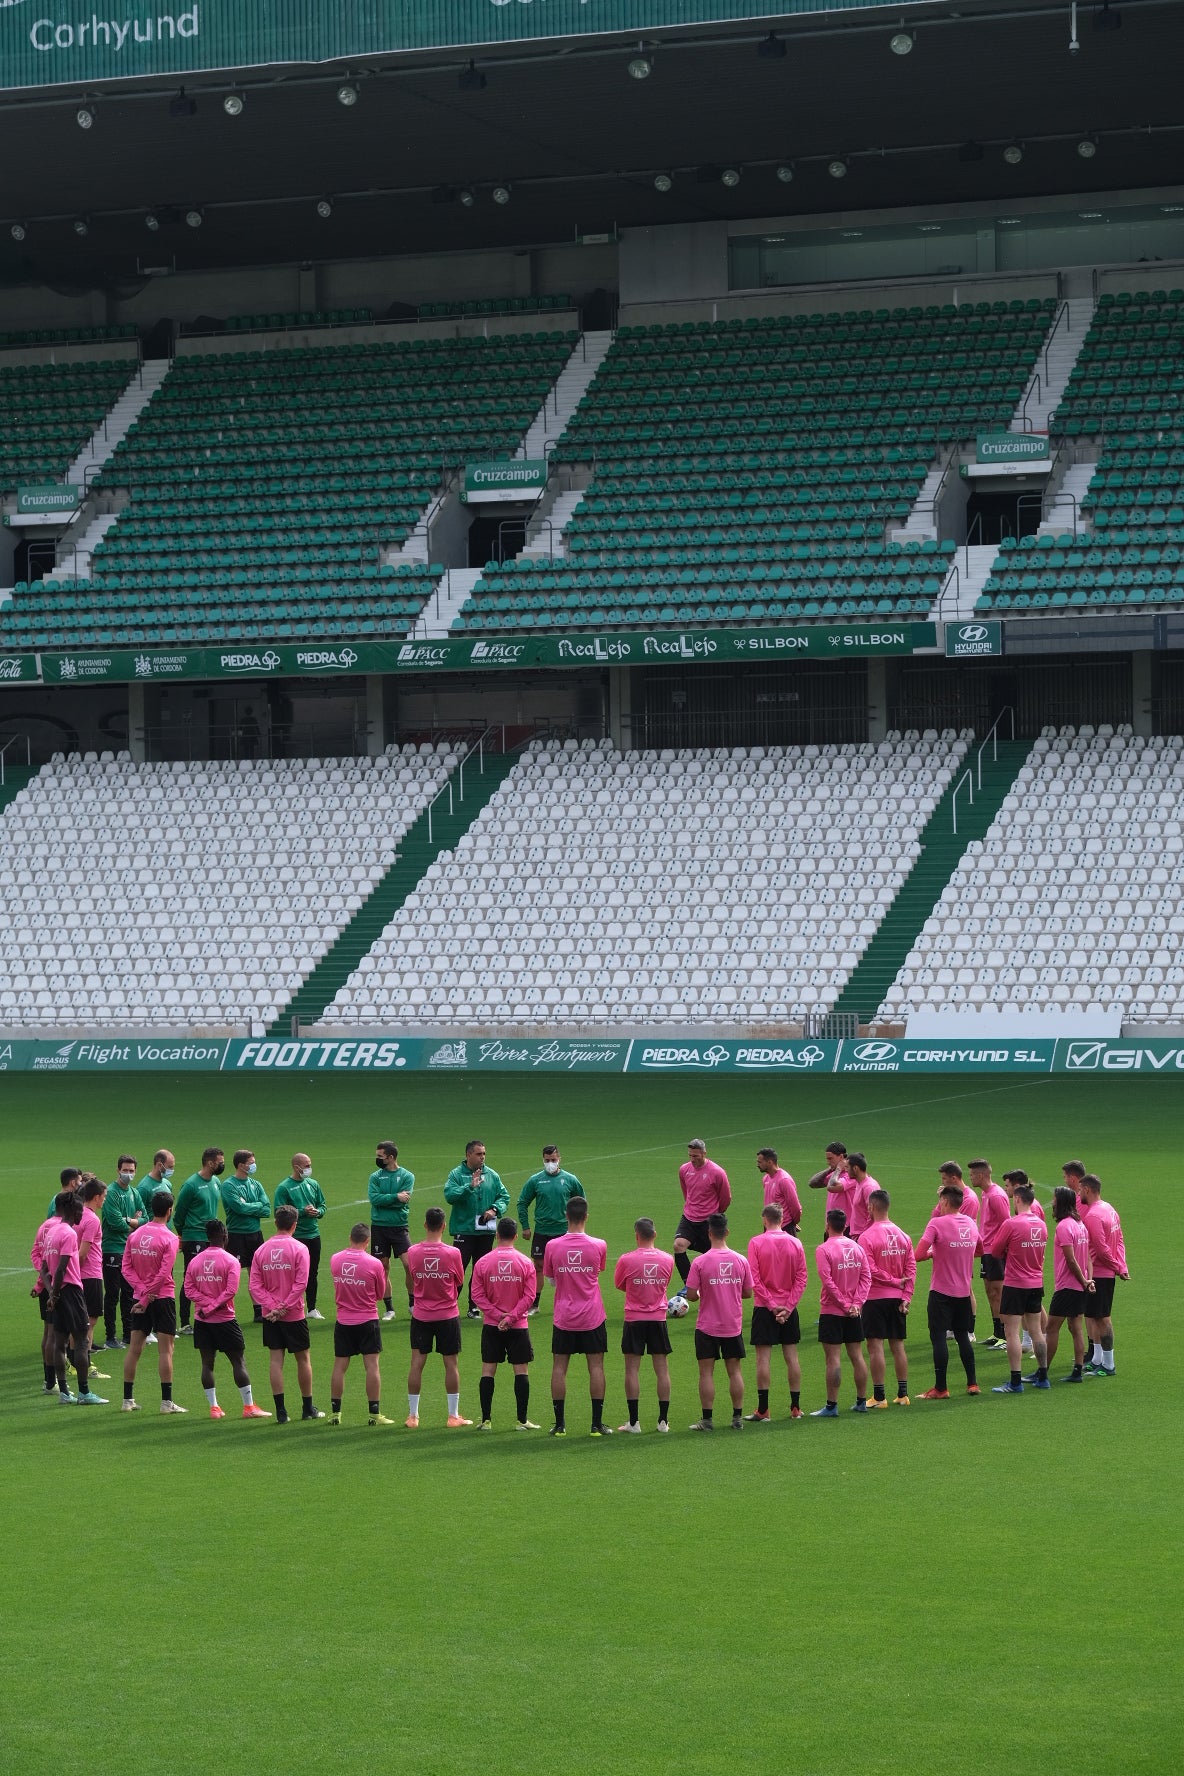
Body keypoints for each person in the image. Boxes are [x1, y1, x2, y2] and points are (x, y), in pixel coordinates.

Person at [184, 1218, 270, 1420]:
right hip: (225, 1320)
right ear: (225, 1236)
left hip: (203, 1320)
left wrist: (205, 1305)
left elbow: (188, 1289)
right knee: (238, 1362)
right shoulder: (231, 1261)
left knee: (207, 1364)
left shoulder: (195, 1261)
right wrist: (213, 1305)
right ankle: (249, 1407)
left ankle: (214, 1408)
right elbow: (230, 1290)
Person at [249, 1204, 324, 1423]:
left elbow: (255, 1285)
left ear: (275, 1223)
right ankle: (307, 1408)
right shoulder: (300, 1249)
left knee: (275, 1360)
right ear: (294, 1225)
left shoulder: (261, 1250)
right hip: (293, 1314)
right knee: (303, 1359)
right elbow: (301, 1284)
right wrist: (284, 1306)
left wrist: (272, 1307)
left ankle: (281, 1412)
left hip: (270, 1315)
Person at [543, 1196, 611, 1436]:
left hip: (564, 1317)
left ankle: (559, 1425)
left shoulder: (552, 1246)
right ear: (586, 1216)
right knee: (596, 1367)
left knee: (559, 1367)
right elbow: (597, 1272)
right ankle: (596, 1424)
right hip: (592, 1316)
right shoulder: (599, 1245)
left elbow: (550, 1280)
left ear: (566, 1216)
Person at [914, 1183, 982, 1400]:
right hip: (963, 1292)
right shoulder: (971, 1223)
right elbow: (979, 1249)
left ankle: (941, 1388)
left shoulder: (936, 1224)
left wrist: (935, 1253)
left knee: (938, 1337)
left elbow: (917, 1254)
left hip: (941, 1292)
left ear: (943, 1202)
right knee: (962, 1336)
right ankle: (972, 1383)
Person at [685, 1213, 753, 1430]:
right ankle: (737, 1418)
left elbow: (691, 1295)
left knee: (706, 1372)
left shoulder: (700, 1261)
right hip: (732, 1325)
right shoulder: (741, 1260)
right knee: (735, 1371)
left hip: (707, 1326)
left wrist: (707, 1289)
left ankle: (707, 1420)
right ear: (727, 1232)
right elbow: (748, 1293)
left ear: (709, 1233)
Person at [121, 1188, 186, 1414]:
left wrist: (140, 1292)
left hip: (140, 1298)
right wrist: (149, 1296)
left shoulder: (135, 1235)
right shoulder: (169, 1238)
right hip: (162, 1298)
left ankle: (127, 1400)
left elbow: (126, 1268)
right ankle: (166, 1403)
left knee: (134, 1349)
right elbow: (163, 1273)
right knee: (166, 1351)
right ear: (170, 1211)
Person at [471, 1217, 538, 1431]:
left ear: (497, 1235)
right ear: (516, 1236)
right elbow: (530, 1297)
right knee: (521, 1371)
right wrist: (510, 1318)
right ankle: (521, 1420)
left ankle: (486, 1420)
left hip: (492, 1325)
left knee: (488, 1370)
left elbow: (477, 1295)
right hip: (518, 1326)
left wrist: (498, 1316)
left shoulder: (483, 1262)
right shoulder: (526, 1262)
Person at [405, 1206, 469, 1429]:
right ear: (443, 1226)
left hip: (421, 1315)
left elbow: (413, 1277)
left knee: (417, 1364)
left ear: (425, 1225)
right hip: (447, 1315)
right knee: (451, 1364)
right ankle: (453, 1416)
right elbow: (459, 1281)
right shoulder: (453, 1253)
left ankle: (413, 1416)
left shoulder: (413, 1252)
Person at [744, 1202, 808, 1422]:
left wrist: (772, 1306)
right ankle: (796, 1408)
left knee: (763, 1359)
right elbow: (802, 1278)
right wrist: (788, 1307)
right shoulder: (795, 1243)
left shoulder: (756, 1242)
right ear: (782, 1220)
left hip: (764, 1309)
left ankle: (763, 1410)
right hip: (789, 1310)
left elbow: (755, 1279)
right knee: (792, 1357)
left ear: (765, 1219)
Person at [40, 1191, 104, 1404]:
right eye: (79, 1212)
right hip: (71, 1292)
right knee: (82, 1340)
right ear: (72, 1211)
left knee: (59, 1343)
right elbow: (61, 1268)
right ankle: (84, 1393)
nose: (80, 1216)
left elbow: (44, 1269)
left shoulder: (50, 1232)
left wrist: (51, 1294)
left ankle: (65, 1393)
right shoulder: (68, 1234)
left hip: (57, 1294)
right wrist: (56, 1292)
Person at [613, 1216, 675, 1433]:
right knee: (662, 1369)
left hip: (634, 1320)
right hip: (658, 1319)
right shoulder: (668, 1259)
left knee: (631, 1370)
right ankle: (663, 1422)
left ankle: (634, 1422)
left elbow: (621, 1285)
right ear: (655, 1235)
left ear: (637, 1235)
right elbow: (665, 1284)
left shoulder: (626, 1260)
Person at [989, 1182, 1049, 1395]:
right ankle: (1043, 1376)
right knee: (1036, 1331)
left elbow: (995, 1250)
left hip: (1015, 1283)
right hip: (1036, 1282)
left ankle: (1015, 1381)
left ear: (1017, 1199)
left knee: (1011, 1332)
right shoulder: (1041, 1225)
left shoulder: (1012, 1224)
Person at [329, 1224, 392, 1426]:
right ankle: (374, 1415)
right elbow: (381, 1295)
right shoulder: (374, 1264)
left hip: (343, 1320)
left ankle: (335, 1414)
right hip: (367, 1320)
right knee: (372, 1366)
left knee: (339, 1366)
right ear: (367, 1241)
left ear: (350, 1237)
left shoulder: (335, 1259)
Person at [858, 1188, 916, 1406]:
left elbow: (870, 1269)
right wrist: (906, 1295)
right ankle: (903, 1394)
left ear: (872, 1207)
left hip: (874, 1298)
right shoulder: (903, 1235)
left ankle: (879, 1396)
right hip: (898, 1299)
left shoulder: (866, 1237)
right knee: (898, 1346)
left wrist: (892, 1281)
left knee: (875, 1347)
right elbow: (911, 1269)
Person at [812, 1208, 872, 1416]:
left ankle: (831, 1406)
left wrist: (845, 1304)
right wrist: (856, 1303)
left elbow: (827, 1281)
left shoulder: (823, 1249)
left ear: (827, 1225)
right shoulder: (857, 1248)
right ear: (846, 1226)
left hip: (832, 1311)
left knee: (833, 1360)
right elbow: (866, 1278)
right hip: (855, 1312)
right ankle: (861, 1401)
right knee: (857, 1356)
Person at [517, 1145, 585, 1316]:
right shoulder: (535, 1180)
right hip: (542, 1230)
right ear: (543, 1160)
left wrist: (578, 1227)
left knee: (565, 1268)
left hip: (564, 1231)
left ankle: (567, 1302)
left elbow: (581, 1203)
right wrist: (525, 1226)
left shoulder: (570, 1179)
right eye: (547, 1160)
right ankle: (535, 1304)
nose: (550, 1163)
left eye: (553, 1160)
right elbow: (522, 1202)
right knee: (538, 1267)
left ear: (559, 1158)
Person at [444, 1140, 509, 1318]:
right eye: (479, 1154)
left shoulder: (492, 1175)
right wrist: (469, 1187)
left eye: (484, 1154)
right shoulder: (456, 1174)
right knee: (458, 1270)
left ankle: (474, 1306)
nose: (482, 1157)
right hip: (463, 1230)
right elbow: (449, 1195)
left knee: (481, 1270)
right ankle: (450, 1304)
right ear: (468, 1155)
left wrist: (495, 1209)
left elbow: (504, 1196)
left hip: (485, 1231)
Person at [1045, 1185, 1095, 1383]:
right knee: (1076, 1328)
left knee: (1051, 1328)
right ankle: (1077, 1371)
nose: (1052, 1202)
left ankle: (1043, 1371)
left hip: (1068, 1286)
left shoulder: (1064, 1226)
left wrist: (1083, 1281)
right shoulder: (1080, 1225)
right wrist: (1088, 1280)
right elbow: (1088, 1258)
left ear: (1062, 1202)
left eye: (1055, 1199)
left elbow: (1071, 1260)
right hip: (1080, 1285)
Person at [1079, 1173, 1127, 1378]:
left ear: (1087, 1190)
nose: (1079, 1194)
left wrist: (1117, 1267)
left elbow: (1101, 1249)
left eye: (1080, 1190)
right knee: (1093, 1316)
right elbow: (1120, 1239)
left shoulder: (1093, 1215)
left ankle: (1109, 1364)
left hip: (1099, 1273)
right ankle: (1097, 1360)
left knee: (1103, 1319)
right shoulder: (1109, 1209)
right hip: (1102, 1271)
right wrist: (1122, 1265)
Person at [173, 1147, 225, 1334]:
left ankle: (207, 1313)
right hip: (194, 1236)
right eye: (220, 1161)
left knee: (210, 1276)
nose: (222, 1164)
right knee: (191, 1277)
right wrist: (184, 1235)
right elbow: (179, 1214)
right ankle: (185, 1322)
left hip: (210, 1237)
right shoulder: (191, 1185)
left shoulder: (216, 1181)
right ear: (210, 1162)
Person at [673, 1138, 731, 1293]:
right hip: (689, 1218)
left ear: (704, 1153)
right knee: (678, 1246)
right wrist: (691, 1207)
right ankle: (689, 1285)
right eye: (690, 1155)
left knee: (712, 1257)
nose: (692, 1159)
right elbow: (687, 1192)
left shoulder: (717, 1172)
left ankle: (720, 1287)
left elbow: (725, 1198)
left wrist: (716, 1215)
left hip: (708, 1220)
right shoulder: (684, 1170)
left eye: (696, 1156)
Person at [221, 1149, 272, 1323]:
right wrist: (255, 1206)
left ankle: (259, 1310)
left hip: (255, 1234)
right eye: (251, 1163)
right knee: (232, 1273)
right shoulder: (229, 1185)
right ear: (241, 1165)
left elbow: (266, 1209)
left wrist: (249, 1206)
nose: (253, 1165)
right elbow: (238, 1208)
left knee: (257, 1273)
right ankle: (226, 1309)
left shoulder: (256, 1184)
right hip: (236, 1234)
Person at [274, 1153, 327, 1319]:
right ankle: (291, 1307)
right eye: (306, 1165)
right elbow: (279, 1211)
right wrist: (303, 1212)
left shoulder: (313, 1184)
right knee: (293, 1274)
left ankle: (312, 1308)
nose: (309, 1168)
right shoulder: (284, 1187)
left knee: (312, 1273)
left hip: (313, 1234)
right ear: (296, 1167)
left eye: (310, 1164)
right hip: (295, 1237)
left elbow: (323, 1205)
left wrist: (318, 1212)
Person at [100, 1154, 145, 1349]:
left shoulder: (134, 1193)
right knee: (112, 1294)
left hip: (130, 1249)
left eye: (131, 1171)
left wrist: (130, 1221)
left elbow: (147, 1218)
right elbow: (116, 1223)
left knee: (129, 1293)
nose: (128, 1174)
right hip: (112, 1249)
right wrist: (133, 1222)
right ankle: (111, 1337)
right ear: (118, 1170)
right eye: (125, 1170)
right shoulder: (111, 1193)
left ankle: (128, 1334)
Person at [368, 1140, 415, 1321]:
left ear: (391, 1157)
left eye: (380, 1156)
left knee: (409, 1265)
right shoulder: (375, 1177)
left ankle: (412, 1304)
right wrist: (395, 1197)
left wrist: (386, 1200)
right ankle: (389, 1308)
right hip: (379, 1226)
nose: (377, 1159)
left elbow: (405, 1199)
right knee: (383, 1267)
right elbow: (374, 1199)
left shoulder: (407, 1176)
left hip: (399, 1227)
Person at [972, 1159, 1011, 1350]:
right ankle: (997, 1333)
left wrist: (1000, 1249)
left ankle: (1005, 1335)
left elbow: (1007, 1224)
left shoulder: (996, 1195)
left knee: (999, 1293)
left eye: (972, 1174)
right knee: (990, 1292)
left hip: (995, 1251)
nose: (970, 1177)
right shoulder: (986, 1194)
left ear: (981, 1175)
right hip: (986, 1250)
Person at [76, 1177, 110, 1378]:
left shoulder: (78, 1215)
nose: (104, 1200)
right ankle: (85, 1363)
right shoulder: (92, 1219)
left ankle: (74, 1361)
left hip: (82, 1275)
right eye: (103, 1196)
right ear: (96, 1197)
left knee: (80, 1321)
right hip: (89, 1275)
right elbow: (82, 1253)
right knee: (89, 1321)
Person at [757, 1148, 802, 1234]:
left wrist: (793, 1223)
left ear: (770, 1162)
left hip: (785, 1227)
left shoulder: (784, 1180)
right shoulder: (766, 1178)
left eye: (760, 1162)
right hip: (769, 1226)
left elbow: (795, 1207)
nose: (758, 1165)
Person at [845, 1153, 881, 1240]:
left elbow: (874, 1214)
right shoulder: (859, 1183)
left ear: (855, 1168)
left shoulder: (869, 1187)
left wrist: (863, 1236)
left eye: (847, 1167)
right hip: (858, 1236)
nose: (845, 1170)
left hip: (864, 1237)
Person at [136, 1149, 175, 1226]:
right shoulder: (143, 1188)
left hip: (167, 1234)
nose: (172, 1170)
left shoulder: (167, 1183)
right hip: (152, 1234)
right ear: (160, 1165)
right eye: (170, 1167)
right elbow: (138, 1218)